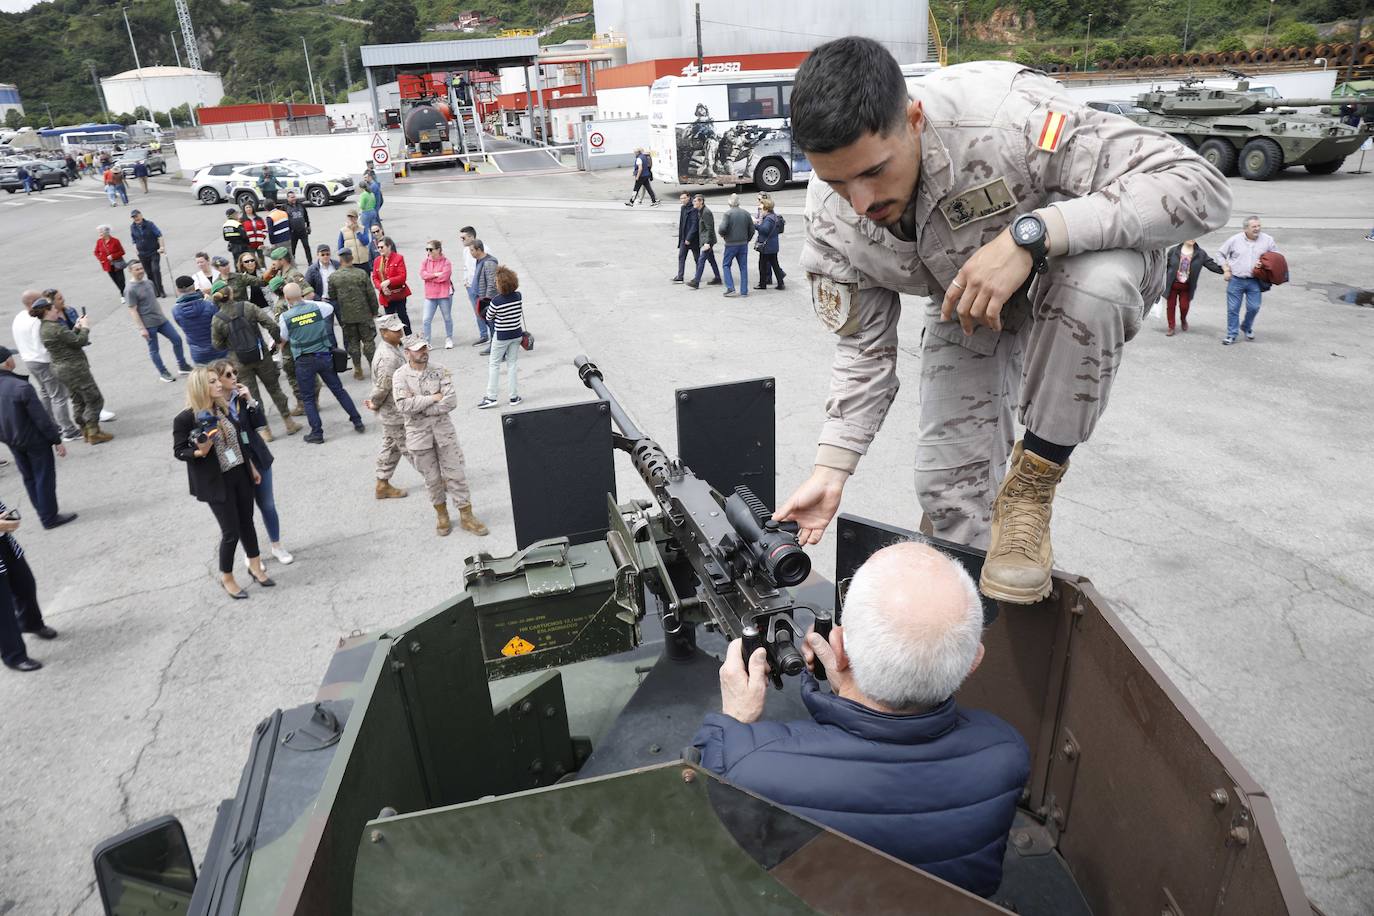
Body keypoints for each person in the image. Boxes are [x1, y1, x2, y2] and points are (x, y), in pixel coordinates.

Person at [775, 38, 1230, 603]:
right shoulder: (830, 214)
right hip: (970, 303)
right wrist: (831, 469)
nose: (861, 201)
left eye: (874, 171)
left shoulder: (1009, 121)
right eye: (838, 182)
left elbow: (1198, 185)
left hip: (1082, 264)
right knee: (948, 494)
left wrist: (1031, 237)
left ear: (914, 120)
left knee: (1095, 284)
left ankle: (1033, 486)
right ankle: (967, 626)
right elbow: (863, 349)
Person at [690, 541, 1029, 897]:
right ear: (974, 660)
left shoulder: (746, 766)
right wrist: (850, 687)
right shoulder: (1005, 753)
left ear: (837, 646)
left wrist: (736, 718)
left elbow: (697, 808)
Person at [173, 368, 274, 600]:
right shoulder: (185, 418)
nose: (219, 384)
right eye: (212, 382)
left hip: (240, 472)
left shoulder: (222, 408)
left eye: (218, 380)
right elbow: (179, 451)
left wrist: (250, 467)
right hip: (216, 482)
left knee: (247, 523)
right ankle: (227, 578)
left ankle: (255, 566)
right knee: (231, 532)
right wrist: (200, 451)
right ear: (200, 387)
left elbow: (239, 440)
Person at [392, 335, 488, 536]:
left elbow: (450, 401)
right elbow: (403, 406)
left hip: (444, 433)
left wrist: (421, 405)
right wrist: (433, 398)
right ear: (407, 353)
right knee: (432, 480)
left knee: (456, 475)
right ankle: (442, 515)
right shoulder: (400, 376)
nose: (424, 352)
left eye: (425, 348)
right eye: (418, 349)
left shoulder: (440, 370)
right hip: (419, 436)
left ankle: (466, 515)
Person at [209, 359, 293, 564]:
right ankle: (251, 555)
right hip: (236, 463)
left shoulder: (241, 397)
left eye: (234, 372)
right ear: (218, 380)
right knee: (244, 513)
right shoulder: (213, 406)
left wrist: (251, 400)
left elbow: (260, 425)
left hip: (257, 456)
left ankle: (277, 546)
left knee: (267, 505)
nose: (234, 377)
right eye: (228, 375)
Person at [209, 279, 300, 438]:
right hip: (261, 355)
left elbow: (217, 345)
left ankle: (265, 430)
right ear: (231, 293)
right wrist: (278, 341)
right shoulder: (248, 306)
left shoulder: (217, 319)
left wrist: (231, 345)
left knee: (251, 395)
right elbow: (270, 324)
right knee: (275, 389)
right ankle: (289, 422)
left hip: (239, 362)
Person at [278, 282, 365, 444]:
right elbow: (329, 308)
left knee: (308, 398)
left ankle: (317, 433)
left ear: (286, 298)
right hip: (323, 356)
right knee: (339, 390)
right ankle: (357, 420)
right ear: (301, 294)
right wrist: (302, 301)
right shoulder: (317, 308)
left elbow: (282, 339)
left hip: (304, 361)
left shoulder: (285, 317)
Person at [0, 348, 75, 529]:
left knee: (29, 478)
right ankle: (49, 517)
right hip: (34, 440)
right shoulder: (21, 387)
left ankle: (43, 512)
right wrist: (56, 440)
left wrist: (6, 438)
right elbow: (41, 418)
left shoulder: (16, 386)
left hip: (12, 440)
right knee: (44, 477)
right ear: (7, 363)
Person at [37, 298, 113, 445]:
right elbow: (79, 342)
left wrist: (76, 328)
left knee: (78, 399)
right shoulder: (56, 328)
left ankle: (84, 430)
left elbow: (68, 340)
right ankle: (94, 432)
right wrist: (85, 327)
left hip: (61, 369)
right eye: (53, 308)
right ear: (46, 311)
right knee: (94, 398)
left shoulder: (44, 328)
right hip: (74, 368)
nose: (56, 310)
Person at [0, 497, 59, 672]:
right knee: (3, 609)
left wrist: (8, 519)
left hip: (6, 543)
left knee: (25, 584)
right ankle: (14, 656)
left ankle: (31, 623)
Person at [14, 291, 81, 443]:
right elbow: (44, 344)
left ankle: (51, 424)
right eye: (41, 299)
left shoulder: (19, 317)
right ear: (33, 302)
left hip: (30, 360)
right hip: (43, 361)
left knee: (46, 393)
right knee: (59, 396)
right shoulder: (37, 321)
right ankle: (68, 431)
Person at [363, 314, 410, 500]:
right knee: (415, 448)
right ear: (383, 333)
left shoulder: (392, 348)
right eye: (395, 330)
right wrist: (374, 403)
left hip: (394, 411)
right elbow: (383, 387)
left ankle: (382, 484)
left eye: (400, 328)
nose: (400, 332)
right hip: (395, 412)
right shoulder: (388, 357)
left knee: (391, 446)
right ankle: (437, 480)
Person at [125, 260, 192, 383]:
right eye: (137, 269)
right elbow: (133, 310)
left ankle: (182, 366)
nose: (140, 271)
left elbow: (154, 301)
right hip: (148, 325)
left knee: (177, 339)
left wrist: (162, 315)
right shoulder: (130, 289)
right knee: (154, 350)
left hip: (161, 320)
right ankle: (163, 372)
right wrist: (142, 329)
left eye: (141, 268)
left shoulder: (149, 283)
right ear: (130, 271)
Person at [1217, 216, 1279, 345]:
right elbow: (1220, 254)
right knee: (1233, 309)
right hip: (1236, 280)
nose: (1257, 229)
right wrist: (1226, 269)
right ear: (1245, 228)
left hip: (1255, 281)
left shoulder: (1268, 240)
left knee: (1254, 307)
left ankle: (1246, 326)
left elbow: (1276, 257)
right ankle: (1231, 334)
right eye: (1254, 227)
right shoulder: (1234, 240)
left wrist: (1265, 264)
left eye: (1259, 226)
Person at [477, 266, 525, 409]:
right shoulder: (518, 296)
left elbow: (489, 316)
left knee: (494, 364)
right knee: (512, 364)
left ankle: (491, 397)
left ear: (501, 284)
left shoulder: (496, 301)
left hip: (502, 336)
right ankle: (514, 397)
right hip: (516, 334)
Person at [330, 249, 378, 379]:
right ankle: (373, 367)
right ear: (352, 258)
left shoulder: (334, 277)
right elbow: (371, 294)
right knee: (368, 341)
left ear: (340, 260)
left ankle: (357, 368)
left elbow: (332, 296)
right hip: (364, 314)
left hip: (347, 316)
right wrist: (374, 311)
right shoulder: (361, 274)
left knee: (353, 343)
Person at [1162, 240, 1223, 336]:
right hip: (1172, 285)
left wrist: (1225, 270)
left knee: (1184, 307)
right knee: (1170, 306)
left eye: (1194, 237)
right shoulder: (1173, 251)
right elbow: (1164, 265)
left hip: (1187, 286)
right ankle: (1171, 327)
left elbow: (1211, 265)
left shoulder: (1200, 254)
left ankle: (1183, 319)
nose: (1192, 239)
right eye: (1190, 236)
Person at [172, 275, 228, 365]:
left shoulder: (175, 311)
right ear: (194, 287)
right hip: (218, 349)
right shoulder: (209, 305)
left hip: (197, 352)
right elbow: (220, 324)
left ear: (178, 290)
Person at [372, 236, 412, 334]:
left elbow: (402, 276)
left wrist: (389, 281)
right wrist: (381, 287)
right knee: (389, 319)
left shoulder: (398, 258)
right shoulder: (377, 261)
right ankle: (395, 339)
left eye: (382, 247)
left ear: (389, 246)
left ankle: (408, 336)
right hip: (386, 295)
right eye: (378, 247)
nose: (380, 249)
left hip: (398, 294)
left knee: (402, 316)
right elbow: (375, 277)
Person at [717, 193, 755, 297]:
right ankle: (744, 291)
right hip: (743, 244)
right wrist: (747, 239)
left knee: (726, 265)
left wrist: (723, 235)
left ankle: (730, 288)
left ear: (729, 203)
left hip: (731, 244)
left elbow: (722, 228)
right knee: (743, 267)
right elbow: (752, 229)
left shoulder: (728, 214)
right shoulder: (746, 213)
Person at [420, 239, 456, 348]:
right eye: (427, 249)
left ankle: (449, 338)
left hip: (444, 294)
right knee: (426, 319)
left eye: (431, 249)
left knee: (447, 317)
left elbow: (444, 277)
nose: (428, 252)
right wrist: (435, 274)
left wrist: (430, 277)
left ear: (438, 249)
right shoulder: (425, 262)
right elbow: (422, 275)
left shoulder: (446, 262)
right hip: (430, 295)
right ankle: (427, 342)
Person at [684, 194, 722, 289]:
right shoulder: (700, 211)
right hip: (706, 240)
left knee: (701, 260)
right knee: (711, 259)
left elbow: (709, 228)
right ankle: (717, 278)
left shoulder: (706, 212)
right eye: (693, 201)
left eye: (695, 201)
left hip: (708, 241)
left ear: (701, 202)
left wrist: (707, 243)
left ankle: (696, 281)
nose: (693, 203)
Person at [468, 239, 499, 354]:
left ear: (479, 250)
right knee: (490, 323)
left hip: (488, 300)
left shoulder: (489, 263)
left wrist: (487, 300)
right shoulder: (479, 260)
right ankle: (495, 346)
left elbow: (492, 283)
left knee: (493, 324)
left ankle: (494, 348)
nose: (470, 253)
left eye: (472, 250)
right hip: (481, 298)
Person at [129, 209, 167, 298]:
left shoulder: (150, 224)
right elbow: (134, 240)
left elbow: (159, 235)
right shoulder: (132, 227)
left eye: (137, 216)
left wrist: (161, 247)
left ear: (141, 215)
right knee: (149, 273)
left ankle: (161, 290)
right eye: (134, 217)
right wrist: (135, 249)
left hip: (153, 251)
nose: (136, 218)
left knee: (155, 270)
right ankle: (155, 290)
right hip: (142, 253)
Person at [753, 194, 787, 290]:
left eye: (762, 209)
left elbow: (764, 230)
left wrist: (755, 225)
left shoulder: (768, 219)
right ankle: (780, 283)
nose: (761, 211)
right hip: (773, 245)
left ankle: (762, 284)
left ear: (766, 209)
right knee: (775, 264)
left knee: (762, 265)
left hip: (766, 246)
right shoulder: (774, 217)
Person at [459, 226, 485, 344]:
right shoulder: (465, 251)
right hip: (470, 286)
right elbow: (466, 267)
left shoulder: (484, 249)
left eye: (463, 238)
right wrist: (465, 281)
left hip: (482, 286)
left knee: (487, 310)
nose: (461, 240)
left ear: (471, 237)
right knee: (477, 311)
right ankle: (484, 335)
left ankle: (493, 334)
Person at [93, 225, 128, 302]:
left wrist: (113, 256)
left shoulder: (115, 241)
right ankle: (124, 292)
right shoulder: (99, 242)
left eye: (101, 232)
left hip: (117, 264)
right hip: (107, 265)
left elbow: (122, 252)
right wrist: (101, 258)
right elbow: (96, 252)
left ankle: (123, 295)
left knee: (121, 280)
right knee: (115, 280)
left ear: (107, 232)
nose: (100, 234)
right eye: (99, 232)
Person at [337, 210, 376, 274]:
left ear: (356, 218)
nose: (351, 219)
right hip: (352, 262)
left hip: (364, 260)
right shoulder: (343, 231)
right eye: (349, 217)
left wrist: (357, 231)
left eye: (352, 217)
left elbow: (366, 242)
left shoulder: (362, 228)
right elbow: (340, 247)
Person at [672, 192, 698, 283]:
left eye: (684, 198)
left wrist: (689, 238)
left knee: (697, 258)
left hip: (693, 239)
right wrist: (682, 238)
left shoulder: (694, 209)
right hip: (684, 238)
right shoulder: (683, 208)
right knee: (681, 256)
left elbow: (694, 225)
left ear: (688, 197)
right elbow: (682, 224)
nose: (682, 200)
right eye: (681, 198)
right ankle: (680, 276)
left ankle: (697, 276)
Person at [283, 190, 312, 261]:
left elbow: (306, 216)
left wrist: (308, 225)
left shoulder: (301, 205)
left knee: (306, 246)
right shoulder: (284, 207)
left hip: (302, 230)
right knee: (292, 249)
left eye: (294, 197)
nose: (294, 199)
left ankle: (310, 262)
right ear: (288, 198)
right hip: (292, 232)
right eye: (292, 197)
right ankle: (292, 262)